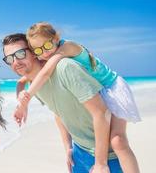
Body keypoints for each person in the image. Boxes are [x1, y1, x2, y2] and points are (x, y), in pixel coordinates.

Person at [15, 22, 140, 173]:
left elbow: (45, 73)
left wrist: (26, 100)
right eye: (38, 50)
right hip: (100, 89)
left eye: (47, 46)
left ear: (55, 38)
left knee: (118, 142)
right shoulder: (51, 54)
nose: (45, 53)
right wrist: (20, 99)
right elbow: (21, 81)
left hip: (113, 87)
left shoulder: (65, 49)